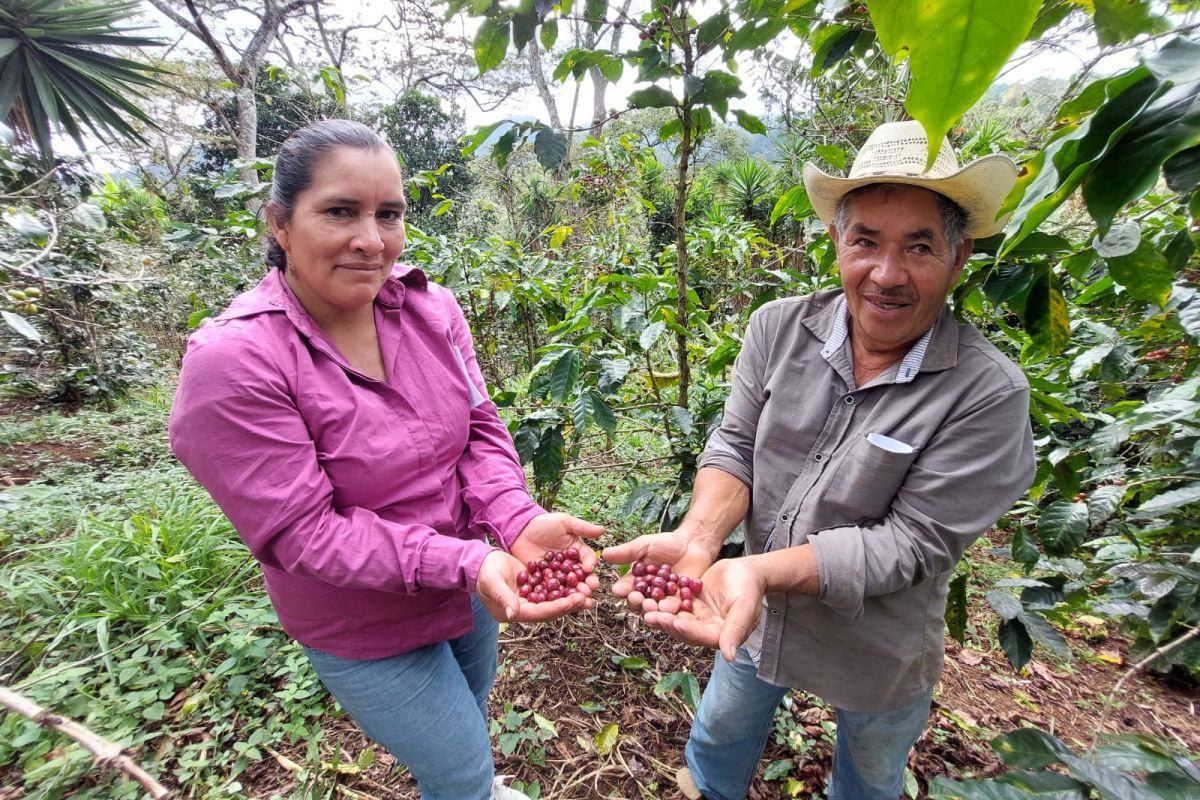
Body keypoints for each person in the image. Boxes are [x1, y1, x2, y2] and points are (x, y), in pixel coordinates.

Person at [168, 119, 603, 800]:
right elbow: (302, 531)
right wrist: (468, 561)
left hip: (466, 588)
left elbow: (478, 427)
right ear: (279, 223)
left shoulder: (431, 308)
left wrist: (515, 518)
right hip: (364, 620)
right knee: (459, 768)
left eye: (389, 214)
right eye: (341, 211)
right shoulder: (235, 361)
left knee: (470, 720)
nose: (371, 240)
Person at [604, 120, 1036, 800]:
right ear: (836, 241)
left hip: (877, 644)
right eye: (866, 241)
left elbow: (911, 543)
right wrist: (700, 537)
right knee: (720, 734)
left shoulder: (988, 393)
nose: (886, 275)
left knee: (870, 769)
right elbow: (736, 445)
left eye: (919, 247)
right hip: (754, 613)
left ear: (960, 258)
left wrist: (755, 570)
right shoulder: (777, 328)